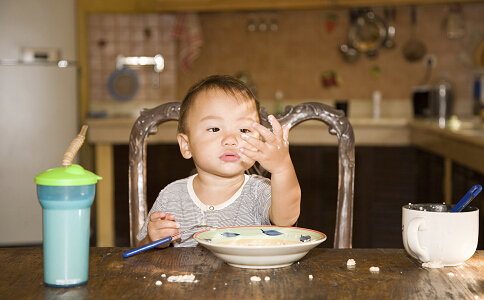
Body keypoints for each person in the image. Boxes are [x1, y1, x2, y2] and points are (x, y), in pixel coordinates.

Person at [137, 75, 301, 247]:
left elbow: (286, 219)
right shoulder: (171, 196)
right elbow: (140, 249)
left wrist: (282, 169)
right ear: (186, 145)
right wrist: (153, 240)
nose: (231, 140)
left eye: (243, 129)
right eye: (214, 128)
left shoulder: (260, 191)